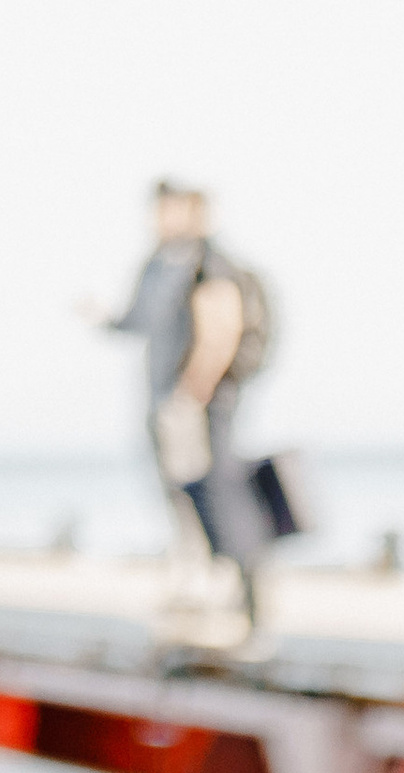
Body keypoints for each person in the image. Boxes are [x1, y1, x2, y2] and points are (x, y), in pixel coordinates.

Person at [101, 180, 271, 621]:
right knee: (181, 490)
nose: (158, 219)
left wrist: (191, 394)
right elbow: (136, 320)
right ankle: (205, 581)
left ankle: (227, 585)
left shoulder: (208, 262)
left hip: (197, 402)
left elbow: (219, 330)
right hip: (171, 399)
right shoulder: (160, 263)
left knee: (206, 488)